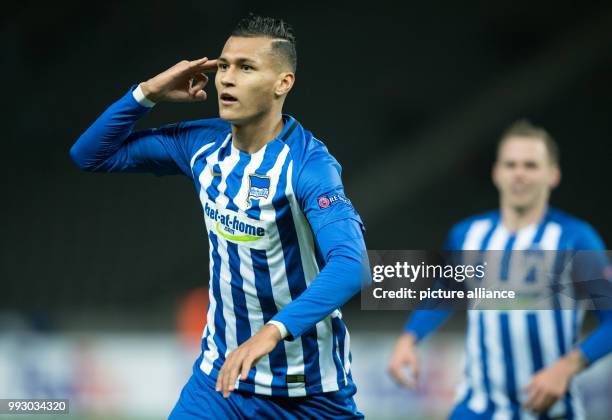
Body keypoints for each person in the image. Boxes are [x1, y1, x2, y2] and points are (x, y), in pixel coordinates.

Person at [70, 14, 366, 419]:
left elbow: (351, 266)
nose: (227, 79)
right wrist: (148, 93)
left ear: (283, 83)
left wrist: (272, 331)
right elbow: (90, 155)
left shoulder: (309, 167)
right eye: (224, 66)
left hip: (308, 389)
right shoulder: (201, 144)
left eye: (246, 68)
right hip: (220, 380)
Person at [388, 121, 612, 419]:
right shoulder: (467, 235)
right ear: (497, 172)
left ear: (553, 174)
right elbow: (445, 291)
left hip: (553, 411)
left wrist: (567, 367)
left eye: (531, 165)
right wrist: (409, 339)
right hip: (476, 409)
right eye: (511, 164)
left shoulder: (575, 239)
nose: (519, 174)